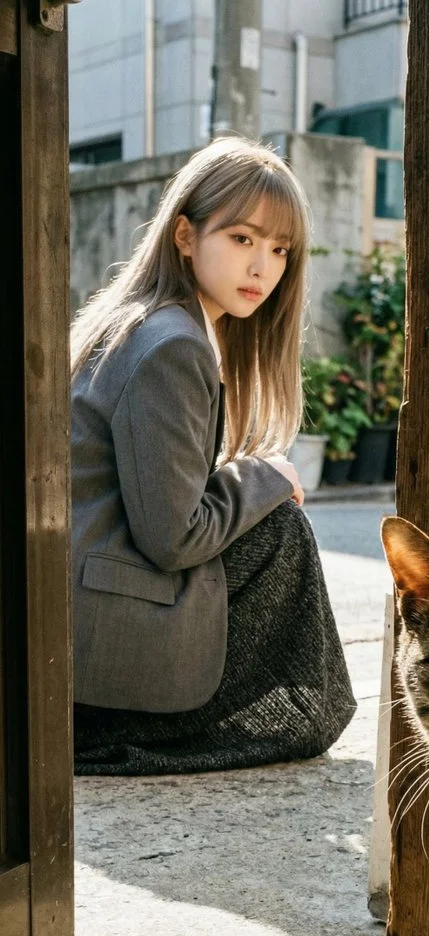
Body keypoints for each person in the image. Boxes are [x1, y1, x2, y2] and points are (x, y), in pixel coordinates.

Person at [71, 136, 355, 776]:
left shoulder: (148, 323)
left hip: (81, 622)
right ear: (185, 235)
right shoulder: (172, 344)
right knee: (281, 529)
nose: (263, 267)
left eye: (280, 250)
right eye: (243, 238)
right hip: (94, 648)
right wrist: (265, 475)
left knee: (268, 518)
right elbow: (173, 538)